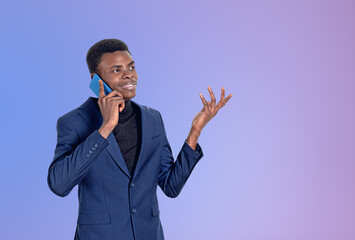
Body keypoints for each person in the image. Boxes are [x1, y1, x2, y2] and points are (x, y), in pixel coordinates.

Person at [47, 39, 232, 240]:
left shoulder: (152, 119)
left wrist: (195, 131)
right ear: (96, 79)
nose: (129, 74)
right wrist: (106, 126)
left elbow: (171, 186)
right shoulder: (73, 122)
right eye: (116, 70)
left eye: (131, 67)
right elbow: (59, 184)